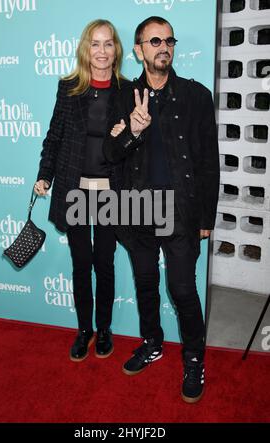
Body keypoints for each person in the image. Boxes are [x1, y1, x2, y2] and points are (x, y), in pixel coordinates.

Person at [104, 16, 220, 403]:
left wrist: (206, 217)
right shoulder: (121, 98)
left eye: (168, 40)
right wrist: (134, 132)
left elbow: (208, 161)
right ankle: (152, 342)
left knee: (183, 289)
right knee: (146, 285)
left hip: (182, 210)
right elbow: (109, 154)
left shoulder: (196, 96)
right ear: (138, 50)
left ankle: (193, 358)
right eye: (154, 41)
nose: (163, 47)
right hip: (135, 209)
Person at [34, 19, 127, 362]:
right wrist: (44, 175)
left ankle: (104, 329)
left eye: (108, 44)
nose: (101, 51)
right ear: (85, 49)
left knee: (104, 262)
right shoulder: (69, 87)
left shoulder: (128, 89)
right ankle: (84, 330)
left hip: (109, 192)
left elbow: (136, 146)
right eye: (95, 44)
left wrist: (126, 134)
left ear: (116, 49)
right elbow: (54, 136)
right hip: (75, 190)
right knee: (80, 262)